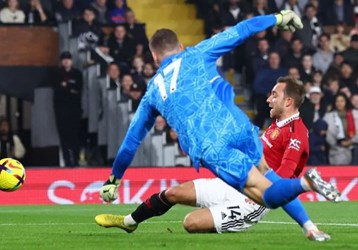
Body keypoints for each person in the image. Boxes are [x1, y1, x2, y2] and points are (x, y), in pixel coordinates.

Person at [97, 11, 339, 222]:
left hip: (212, 145)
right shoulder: (197, 53)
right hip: (238, 127)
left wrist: (114, 179)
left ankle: (305, 184)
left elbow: (131, 142)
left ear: (154, 58)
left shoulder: (151, 92)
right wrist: (278, 17)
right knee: (267, 177)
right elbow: (241, 30)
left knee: (264, 196)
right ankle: (308, 220)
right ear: (180, 46)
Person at [95, 77, 331, 241]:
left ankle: (226, 223)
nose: (269, 99)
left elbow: (281, 184)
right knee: (173, 193)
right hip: (236, 182)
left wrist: (308, 225)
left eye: (274, 95)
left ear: (288, 102)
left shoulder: (297, 135)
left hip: (252, 202)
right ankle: (128, 222)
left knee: (190, 223)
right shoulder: (276, 125)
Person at [53, 51, 83, 167]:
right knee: (63, 137)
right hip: (61, 111)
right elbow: (57, 89)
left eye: (68, 59)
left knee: (75, 136)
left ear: (71, 60)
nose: (66, 61)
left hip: (74, 110)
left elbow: (78, 89)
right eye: (64, 59)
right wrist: (68, 89)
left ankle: (75, 160)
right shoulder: (57, 74)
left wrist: (66, 86)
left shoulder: (77, 74)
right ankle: (67, 161)